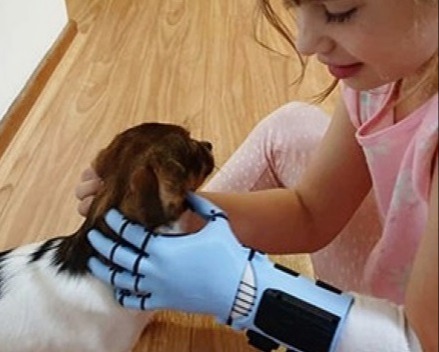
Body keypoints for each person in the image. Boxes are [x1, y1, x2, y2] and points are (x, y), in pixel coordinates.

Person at [77, 0, 438, 350]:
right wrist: (178, 214)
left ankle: (151, 268)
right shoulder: (384, 75)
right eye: (294, 6)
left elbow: (420, 343)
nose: (304, 42)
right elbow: (309, 211)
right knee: (290, 127)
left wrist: (245, 292)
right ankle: (157, 255)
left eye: (337, 12)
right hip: (402, 273)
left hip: (412, 335)